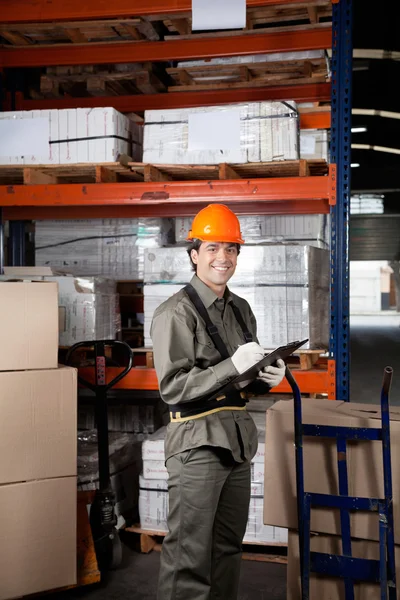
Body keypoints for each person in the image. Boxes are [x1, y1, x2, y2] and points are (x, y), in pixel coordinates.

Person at [150, 204, 286, 600]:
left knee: (228, 548)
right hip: (197, 445)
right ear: (194, 255)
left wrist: (264, 380)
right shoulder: (175, 313)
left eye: (230, 249)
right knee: (188, 555)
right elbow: (173, 388)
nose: (222, 258)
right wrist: (230, 365)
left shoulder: (241, 309)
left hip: (236, 443)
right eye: (212, 248)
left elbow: (238, 383)